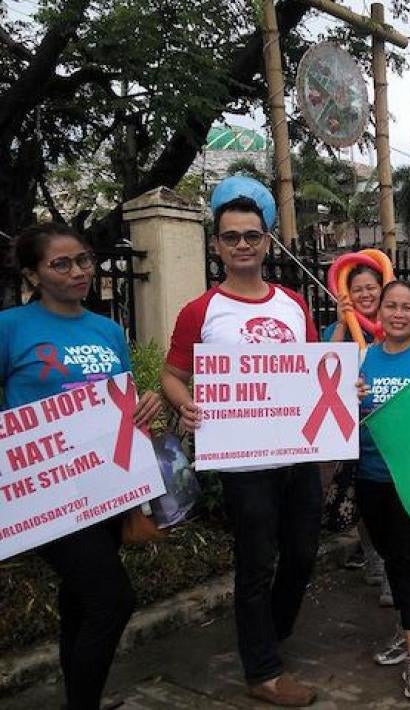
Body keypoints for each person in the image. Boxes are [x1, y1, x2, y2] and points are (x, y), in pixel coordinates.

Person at [161, 197, 322, 707]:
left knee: (301, 554)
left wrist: (345, 391)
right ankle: (263, 671)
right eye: (231, 237)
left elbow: (317, 369)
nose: (243, 245)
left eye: (252, 235)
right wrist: (186, 405)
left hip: (299, 454)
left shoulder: (293, 304)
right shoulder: (201, 311)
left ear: (268, 240)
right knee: (256, 563)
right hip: (242, 461)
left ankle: (266, 635)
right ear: (217, 246)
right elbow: (172, 376)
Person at [0, 223, 163, 710]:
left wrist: (147, 402)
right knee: (112, 601)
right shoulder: (10, 327)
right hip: (48, 493)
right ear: (33, 274)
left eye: (84, 261)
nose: (79, 272)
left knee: (80, 602)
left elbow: (120, 400)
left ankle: (79, 700)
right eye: (61, 264)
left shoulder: (107, 329)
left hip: (103, 486)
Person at [355, 280, 410, 699]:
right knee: (392, 556)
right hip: (371, 474)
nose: (398, 313)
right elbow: (343, 417)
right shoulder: (363, 359)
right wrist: (347, 396)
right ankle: (409, 629)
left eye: (407, 307)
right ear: (380, 313)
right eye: (391, 306)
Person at [322, 264, 391, 605]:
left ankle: (394, 569)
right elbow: (321, 361)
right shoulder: (339, 329)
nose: (365, 295)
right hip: (352, 432)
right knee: (361, 497)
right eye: (357, 289)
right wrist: (340, 322)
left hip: (392, 432)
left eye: (371, 288)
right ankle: (373, 557)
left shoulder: (392, 326)